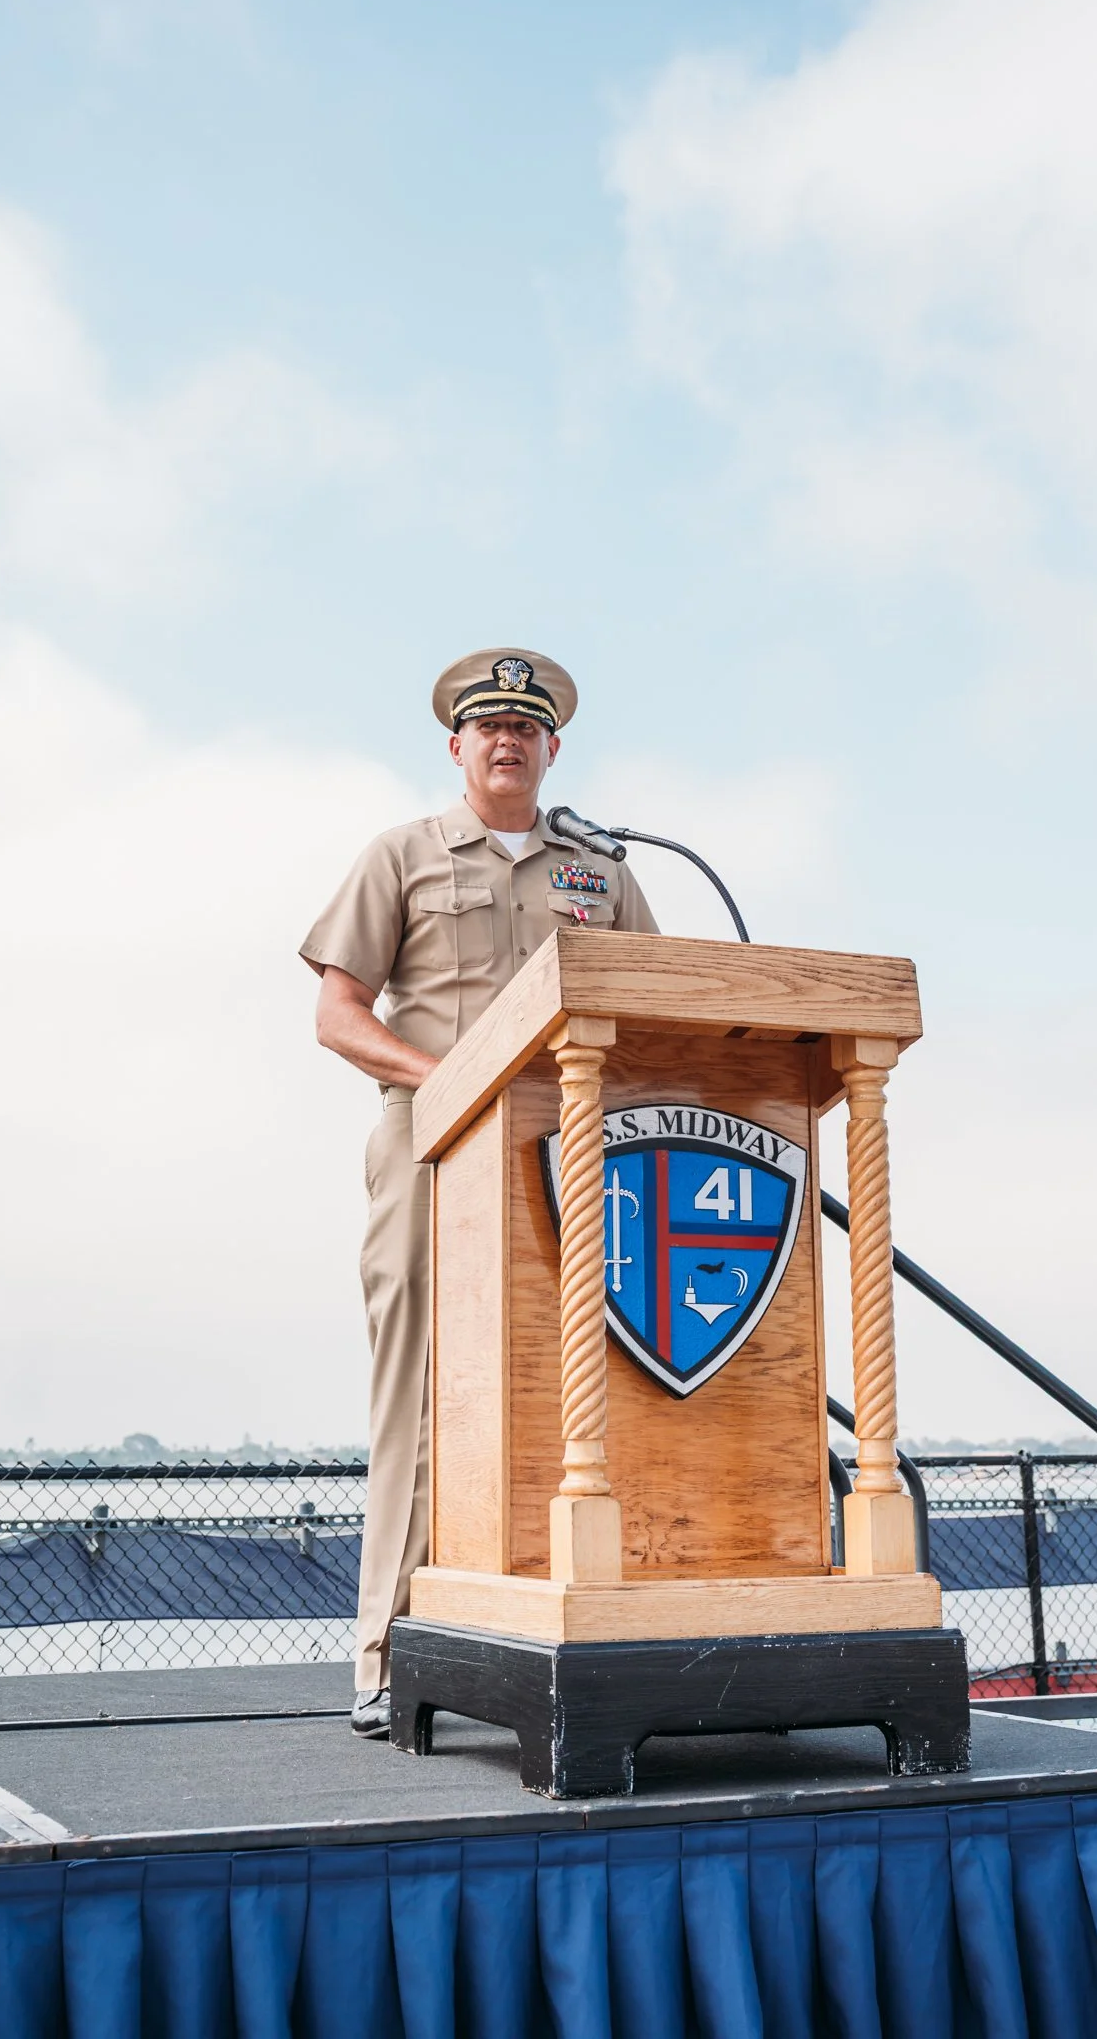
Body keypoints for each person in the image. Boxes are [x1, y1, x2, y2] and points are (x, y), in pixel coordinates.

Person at [300, 649, 660, 1735]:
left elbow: (657, 996)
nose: (508, 739)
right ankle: (385, 1651)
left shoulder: (601, 871)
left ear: (554, 747)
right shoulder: (402, 857)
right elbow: (339, 1013)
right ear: (456, 745)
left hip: (576, 1150)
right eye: (487, 724)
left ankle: (569, 1634)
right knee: (420, 1391)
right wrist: (448, 1077)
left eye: (527, 726)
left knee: (587, 1384)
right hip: (434, 1139)